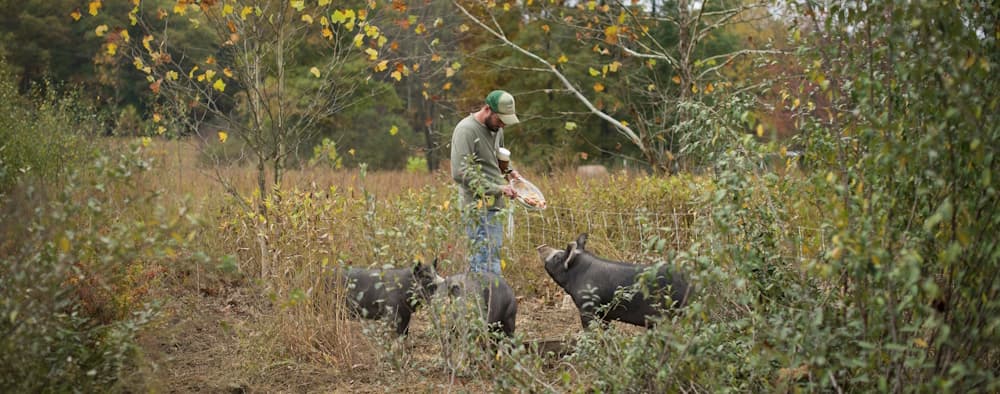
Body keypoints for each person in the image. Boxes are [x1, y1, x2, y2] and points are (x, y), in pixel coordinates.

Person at [450, 90, 522, 274]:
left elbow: (497, 158)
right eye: (500, 120)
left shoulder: (496, 129)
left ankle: (485, 301)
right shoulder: (466, 130)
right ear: (488, 109)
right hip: (477, 207)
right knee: (485, 266)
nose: (502, 125)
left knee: (490, 260)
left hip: (495, 206)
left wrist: (510, 171)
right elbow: (461, 172)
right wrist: (498, 189)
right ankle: (486, 302)